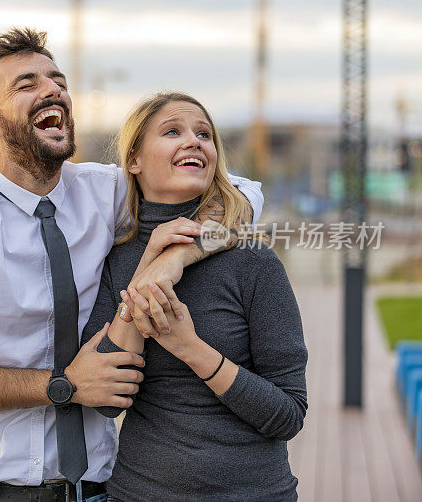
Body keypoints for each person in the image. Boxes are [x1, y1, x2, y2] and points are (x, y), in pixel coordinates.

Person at [0, 28, 264, 502]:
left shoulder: (103, 194)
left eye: (58, 81)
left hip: (95, 489)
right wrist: (63, 386)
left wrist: (180, 254)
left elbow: (242, 193)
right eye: (27, 85)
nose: (53, 91)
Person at [81, 92, 308, 501]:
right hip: (138, 493)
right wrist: (149, 264)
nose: (194, 141)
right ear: (133, 160)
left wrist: (191, 348)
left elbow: (287, 415)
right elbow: (107, 402)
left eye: (204, 134)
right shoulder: (114, 260)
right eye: (173, 131)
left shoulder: (253, 261)